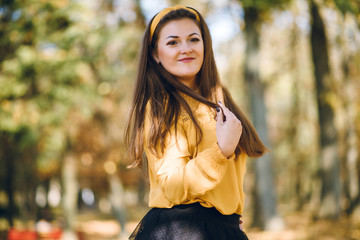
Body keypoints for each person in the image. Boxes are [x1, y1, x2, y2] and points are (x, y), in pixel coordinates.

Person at [124, 5, 268, 240]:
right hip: (183, 229)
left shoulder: (217, 96)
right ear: (155, 54)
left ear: (205, 44)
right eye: (173, 42)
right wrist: (221, 152)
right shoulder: (162, 105)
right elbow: (171, 184)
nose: (186, 49)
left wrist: (229, 220)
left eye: (193, 39)